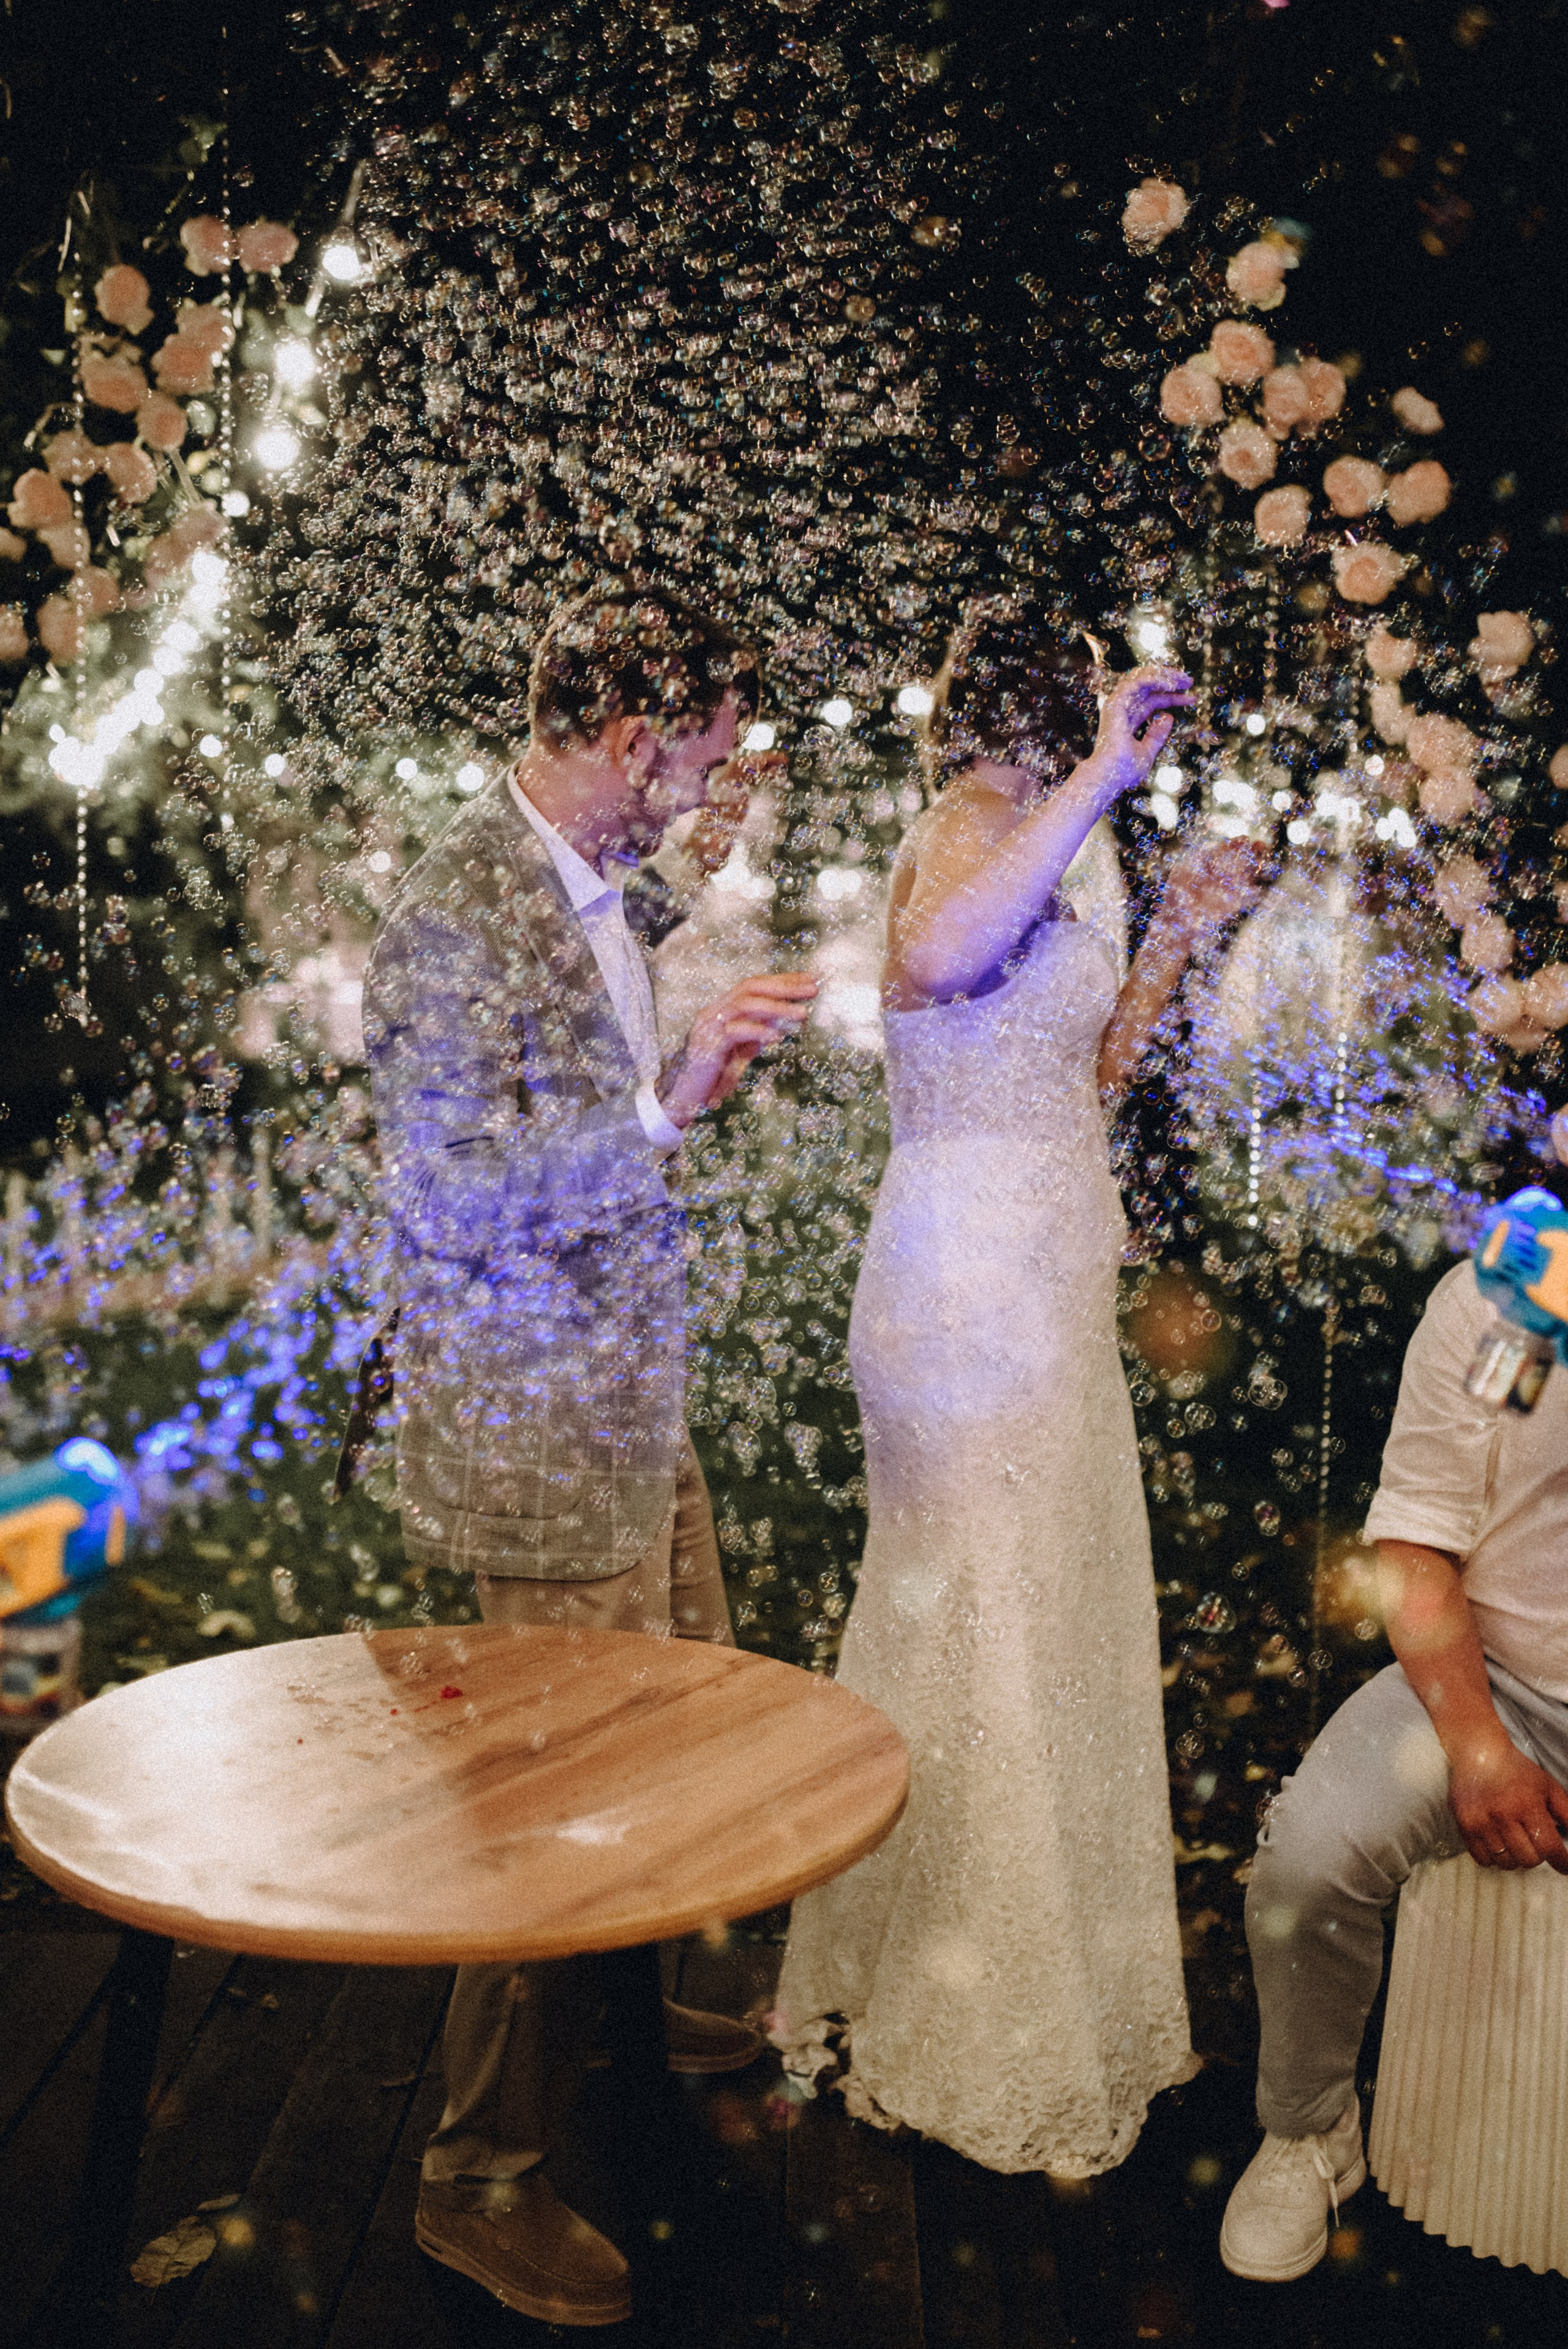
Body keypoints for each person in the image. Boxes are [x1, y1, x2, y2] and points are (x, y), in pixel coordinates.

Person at [362, 586, 816, 2326]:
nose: (696, 784)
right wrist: (664, 1104)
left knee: (681, 1705)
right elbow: (460, 1200)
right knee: (533, 1821)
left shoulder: (583, 877)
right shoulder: (449, 914)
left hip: (631, 1398)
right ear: (625, 742)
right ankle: (477, 2175)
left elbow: (621, 954)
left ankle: (629, 2009)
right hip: (541, 1434)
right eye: (686, 756)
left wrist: (722, 845)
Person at [772, 597, 1265, 2176]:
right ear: (1020, 719)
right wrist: (1095, 789)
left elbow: (1086, 1065)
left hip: (1049, 1271)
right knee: (970, 1611)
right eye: (1074, 713)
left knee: (1043, 1612)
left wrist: (1180, 923)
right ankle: (960, 2004)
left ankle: (1038, 1977)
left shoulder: (1074, 835)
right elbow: (932, 957)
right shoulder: (967, 825)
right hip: (959, 1281)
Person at [1220, 1215, 1568, 2282]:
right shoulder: (1527, 1303)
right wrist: (1479, 1750)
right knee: (1311, 1858)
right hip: (1501, 1680)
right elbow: (1417, 1541)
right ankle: (1311, 2127)